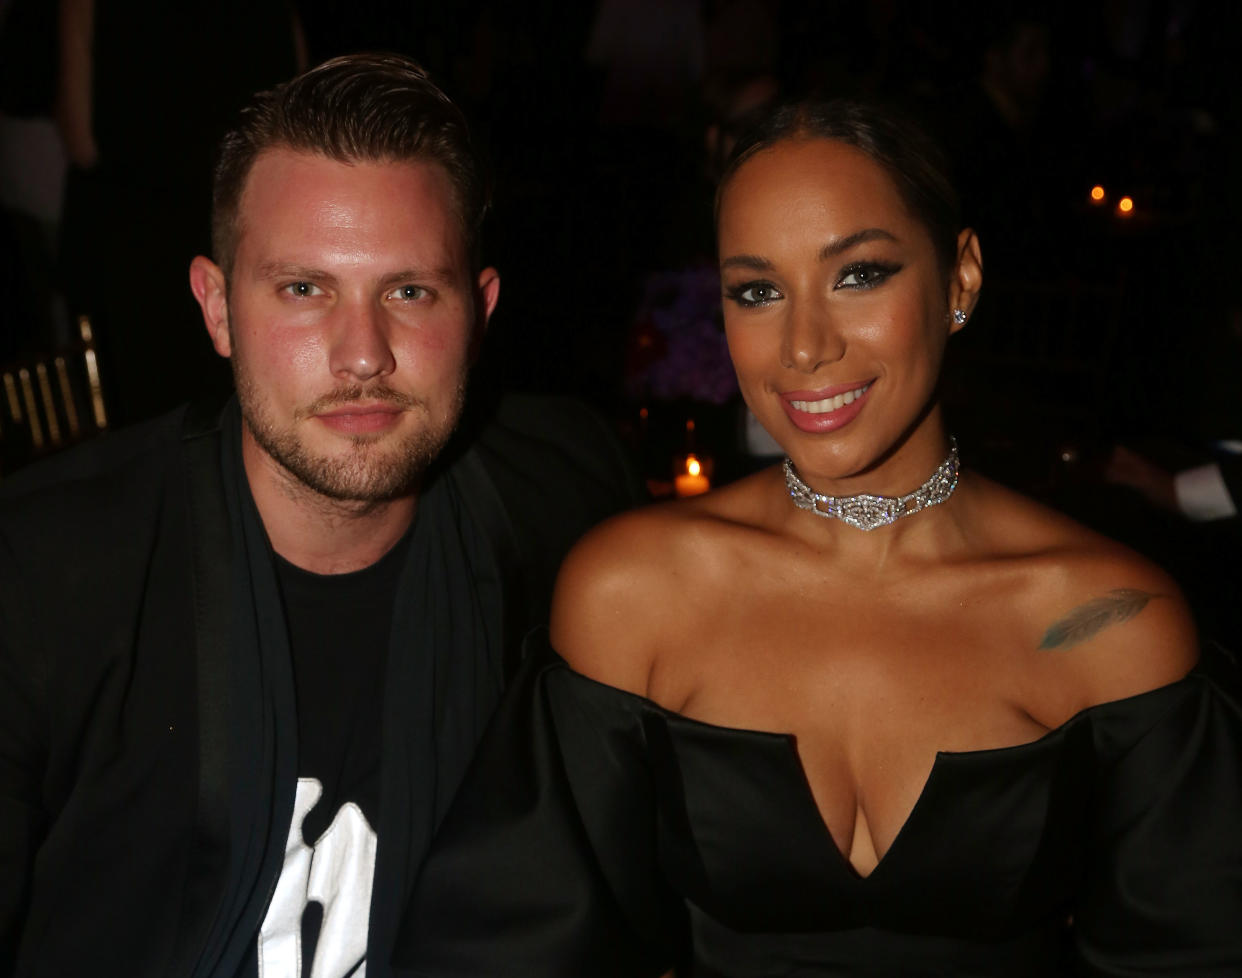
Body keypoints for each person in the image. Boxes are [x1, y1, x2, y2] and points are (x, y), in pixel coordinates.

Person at [396, 99, 1242, 976]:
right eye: (757, 292)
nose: (802, 346)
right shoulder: (633, 594)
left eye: (859, 274)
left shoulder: (1112, 621)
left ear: (961, 279)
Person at [0, 54, 639, 977]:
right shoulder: (45, 579)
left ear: (482, 310)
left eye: (410, 291)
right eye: (305, 289)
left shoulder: (565, 513)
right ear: (217, 309)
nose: (364, 354)